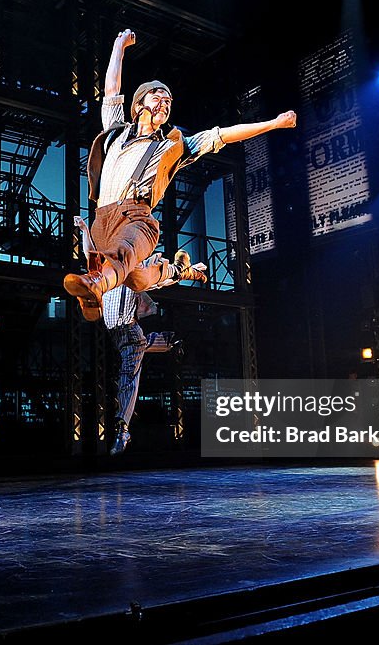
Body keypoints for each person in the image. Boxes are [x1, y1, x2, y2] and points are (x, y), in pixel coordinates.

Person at [62, 28, 297, 321]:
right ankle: (179, 270)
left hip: (136, 217)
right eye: (157, 97)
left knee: (124, 252)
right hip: (102, 220)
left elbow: (222, 134)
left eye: (168, 102)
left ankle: (98, 283)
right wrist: (119, 45)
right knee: (137, 280)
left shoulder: (173, 146)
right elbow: (111, 90)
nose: (164, 103)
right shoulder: (115, 133)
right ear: (138, 106)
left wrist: (273, 124)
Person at [102, 284, 180, 456]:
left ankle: (123, 429)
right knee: (137, 349)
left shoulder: (130, 273)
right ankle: (168, 342)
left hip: (129, 332)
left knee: (128, 375)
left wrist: (182, 271)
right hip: (117, 335)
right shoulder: (107, 274)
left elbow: (156, 278)